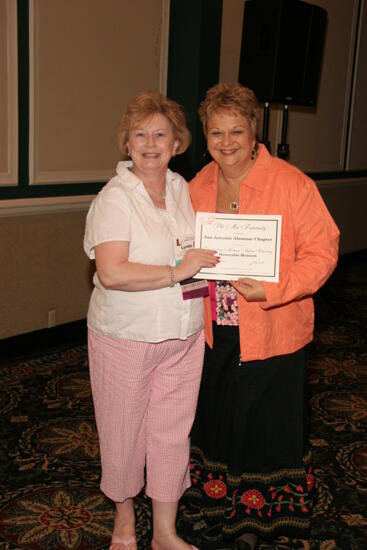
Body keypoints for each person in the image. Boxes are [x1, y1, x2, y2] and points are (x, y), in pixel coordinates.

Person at [185, 83, 340, 549]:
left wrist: (274, 290)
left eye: (237, 129)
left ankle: (257, 521)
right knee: (217, 420)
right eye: (216, 132)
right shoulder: (198, 186)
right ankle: (218, 507)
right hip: (216, 329)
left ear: (255, 130)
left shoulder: (292, 184)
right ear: (205, 134)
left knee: (265, 423)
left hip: (274, 328)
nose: (226, 141)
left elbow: (322, 251)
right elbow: (187, 254)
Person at [83, 90, 218, 550]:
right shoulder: (115, 199)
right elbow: (111, 272)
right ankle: (123, 521)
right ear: (126, 144)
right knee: (123, 431)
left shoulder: (182, 189)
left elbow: (196, 255)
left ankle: (164, 532)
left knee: (170, 432)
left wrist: (204, 287)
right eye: (139, 134)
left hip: (183, 333)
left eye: (161, 133)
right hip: (127, 336)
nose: (150, 143)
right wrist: (176, 272)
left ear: (177, 143)